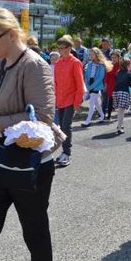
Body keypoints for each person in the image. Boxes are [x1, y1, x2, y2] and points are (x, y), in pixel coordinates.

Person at [0, 7, 55, 261]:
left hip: (29, 166)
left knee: (35, 234)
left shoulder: (34, 65)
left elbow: (43, 118)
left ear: (12, 33)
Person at [53, 36, 85, 168]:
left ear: (69, 48)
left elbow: (80, 84)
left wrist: (77, 103)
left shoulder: (76, 62)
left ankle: (66, 153)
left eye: (62, 48)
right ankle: (62, 152)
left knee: (66, 127)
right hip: (59, 100)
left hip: (71, 100)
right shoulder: (58, 63)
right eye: (59, 48)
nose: (60, 51)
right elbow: (55, 83)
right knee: (61, 128)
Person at [82, 48, 111, 127]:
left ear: (97, 54)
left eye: (92, 54)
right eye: (90, 54)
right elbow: (86, 76)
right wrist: (87, 85)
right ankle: (102, 115)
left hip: (97, 85)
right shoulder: (89, 64)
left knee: (92, 102)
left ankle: (88, 120)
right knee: (96, 102)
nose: (90, 56)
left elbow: (100, 77)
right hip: (89, 85)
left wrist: (92, 87)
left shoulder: (101, 65)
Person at [113, 57, 131, 134]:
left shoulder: (117, 73)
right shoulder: (129, 74)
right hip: (124, 92)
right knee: (121, 111)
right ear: (128, 65)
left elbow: (116, 81)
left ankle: (120, 125)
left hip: (116, 92)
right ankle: (119, 127)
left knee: (119, 110)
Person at [104, 50, 121, 119]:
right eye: (112, 57)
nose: (113, 59)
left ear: (118, 58)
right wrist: (105, 84)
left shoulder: (120, 65)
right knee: (110, 99)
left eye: (115, 57)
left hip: (118, 84)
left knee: (118, 100)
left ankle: (119, 114)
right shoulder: (109, 64)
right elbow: (106, 75)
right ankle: (109, 115)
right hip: (110, 84)